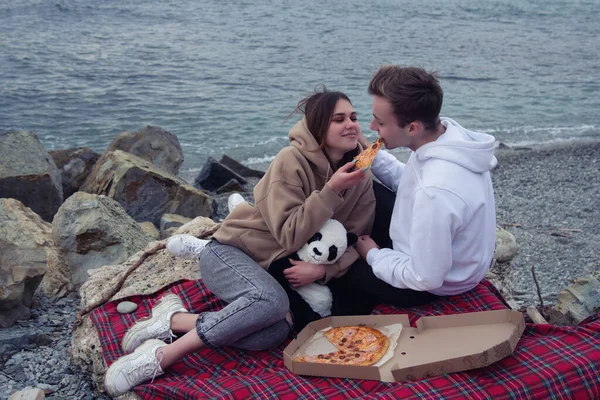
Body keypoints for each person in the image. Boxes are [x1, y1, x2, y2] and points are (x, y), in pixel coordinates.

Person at [103, 87, 376, 397]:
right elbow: (288, 235)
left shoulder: (361, 175)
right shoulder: (291, 161)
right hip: (231, 252)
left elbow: (359, 237)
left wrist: (323, 273)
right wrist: (330, 191)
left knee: (269, 335)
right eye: (338, 119)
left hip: (274, 270)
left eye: (354, 117)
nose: (351, 124)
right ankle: (160, 356)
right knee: (272, 302)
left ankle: (174, 320)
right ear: (317, 127)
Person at [338, 65, 497, 312]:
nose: (370, 126)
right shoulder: (448, 142)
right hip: (457, 261)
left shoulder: (434, 191)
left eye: (380, 122)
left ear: (412, 127)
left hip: (436, 286)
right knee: (370, 194)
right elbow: (409, 181)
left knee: (347, 273)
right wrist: (370, 151)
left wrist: (373, 255)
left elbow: (426, 277)